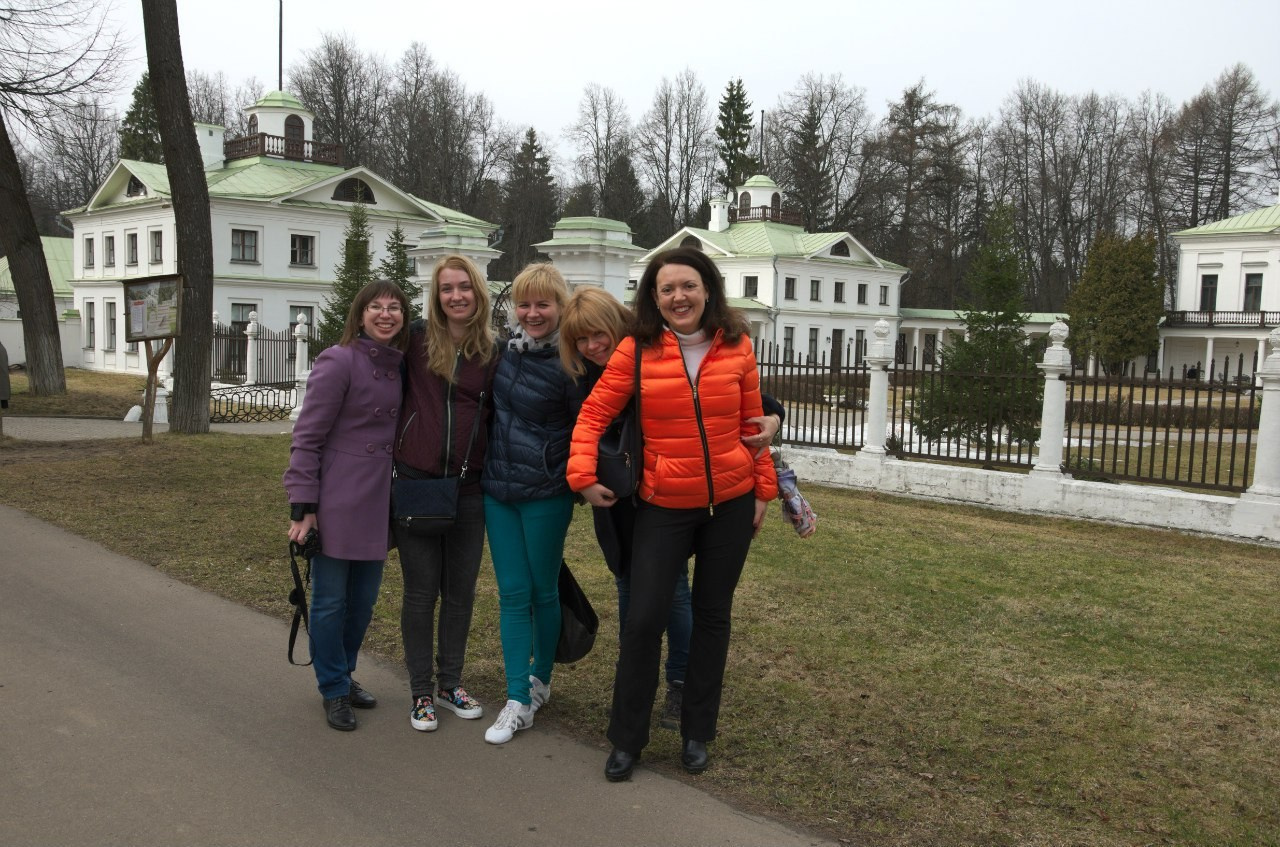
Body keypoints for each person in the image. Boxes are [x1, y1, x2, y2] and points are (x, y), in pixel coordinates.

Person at [567, 247, 778, 781]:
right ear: (654, 298)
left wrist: (763, 489)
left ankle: (696, 732)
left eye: (688, 286)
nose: (678, 296)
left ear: (708, 290)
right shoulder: (636, 351)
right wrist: (582, 477)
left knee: (712, 618)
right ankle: (627, 739)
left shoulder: (737, 346)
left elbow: (756, 426)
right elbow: (594, 413)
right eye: (667, 289)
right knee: (642, 621)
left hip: (728, 505)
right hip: (664, 506)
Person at [284, 280, 409, 731]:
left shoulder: (399, 365)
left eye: (394, 307)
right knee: (331, 600)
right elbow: (308, 436)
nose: (385, 314)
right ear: (359, 316)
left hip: (378, 498)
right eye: (375, 307)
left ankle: (344, 670)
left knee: (363, 601)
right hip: (338, 495)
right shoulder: (338, 360)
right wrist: (304, 505)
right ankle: (333, 686)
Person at [481, 263, 586, 745]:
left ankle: (539, 680)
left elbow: (587, 427)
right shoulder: (504, 353)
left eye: (543, 303)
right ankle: (517, 699)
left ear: (560, 306)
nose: (532, 312)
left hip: (546, 491)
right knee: (511, 593)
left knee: (543, 590)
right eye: (524, 303)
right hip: (499, 489)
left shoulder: (572, 362)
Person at [394, 255, 497, 733]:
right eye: (446, 289)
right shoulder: (413, 340)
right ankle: (420, 692)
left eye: (464, 287)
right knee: (420, 593)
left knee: (460, 592)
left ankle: (449, 682)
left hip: (469, 488)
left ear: (478, 293)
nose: (456, 296)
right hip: (416, 482)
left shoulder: (493, 352)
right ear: (435, 297)